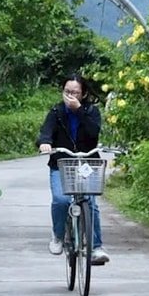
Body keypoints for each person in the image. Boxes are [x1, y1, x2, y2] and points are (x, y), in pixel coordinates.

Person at [37, 75, 107, 266]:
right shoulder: (56, 111)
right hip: (62, 164)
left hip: (87, 164)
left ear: (83, 94)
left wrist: (79, 112)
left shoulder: (92, 111)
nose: (70, 96)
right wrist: (45, 143)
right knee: (61, 200)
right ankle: (58, 235)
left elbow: (94, 133)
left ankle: (96, 247)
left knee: (90, 201)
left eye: (75, 92)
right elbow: (46, 132)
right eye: (67, 92)